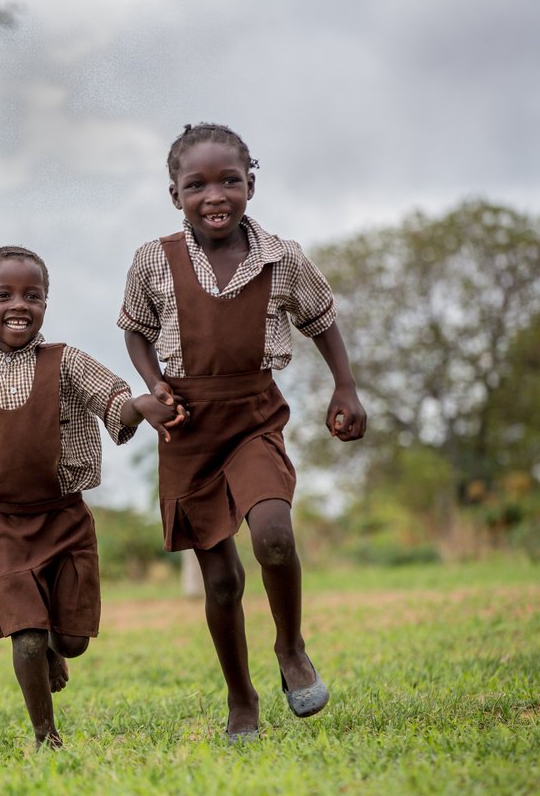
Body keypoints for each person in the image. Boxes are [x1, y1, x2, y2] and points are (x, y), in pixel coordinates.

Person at [118, 123, 367, 742]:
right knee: (223, 579)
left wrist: (345, 386)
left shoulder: (282, 257)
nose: (215, 195)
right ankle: (241, 698)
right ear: (174, 195)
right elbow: (134, 329)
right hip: (188, 427)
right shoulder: (154, 260)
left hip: (254, 415)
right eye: (196, 184)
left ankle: (290, 647)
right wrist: (154, 384)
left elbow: (322, 320)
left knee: (275, 536)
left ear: (250, 184)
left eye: (229, 180)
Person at [0, 245, 181, 749]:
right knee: (24, 632)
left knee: (69, 639)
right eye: (3, 295)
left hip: (65, 519)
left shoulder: (66, 361)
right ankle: (45, 735)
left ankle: (56, 643)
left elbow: (113, 399)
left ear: (47, 302)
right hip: (0, 523)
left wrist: (144, 405)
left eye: (33, 294)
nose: (18, 305)